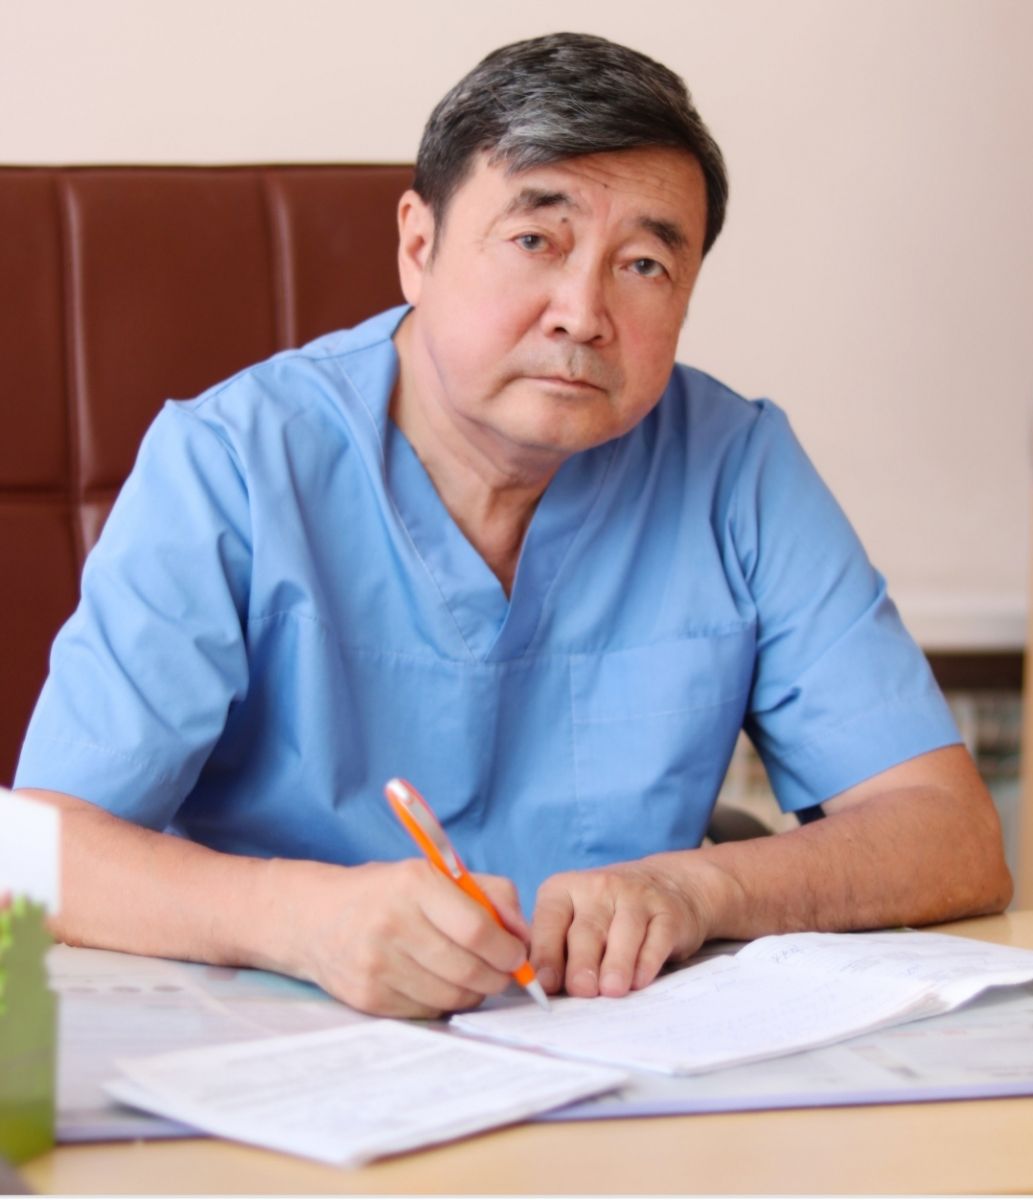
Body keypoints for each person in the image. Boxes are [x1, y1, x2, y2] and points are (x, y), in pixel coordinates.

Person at [15, 33, 1011, 1018]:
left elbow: (950, 836)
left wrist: (698, 887)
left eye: (643, 265)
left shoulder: (734, 465)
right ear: (418, 246)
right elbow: (35, 852)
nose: (582, 314)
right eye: (536, 241)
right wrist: (299, 919)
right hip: (279, 1043)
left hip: (619, 1047)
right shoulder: (231, 462)